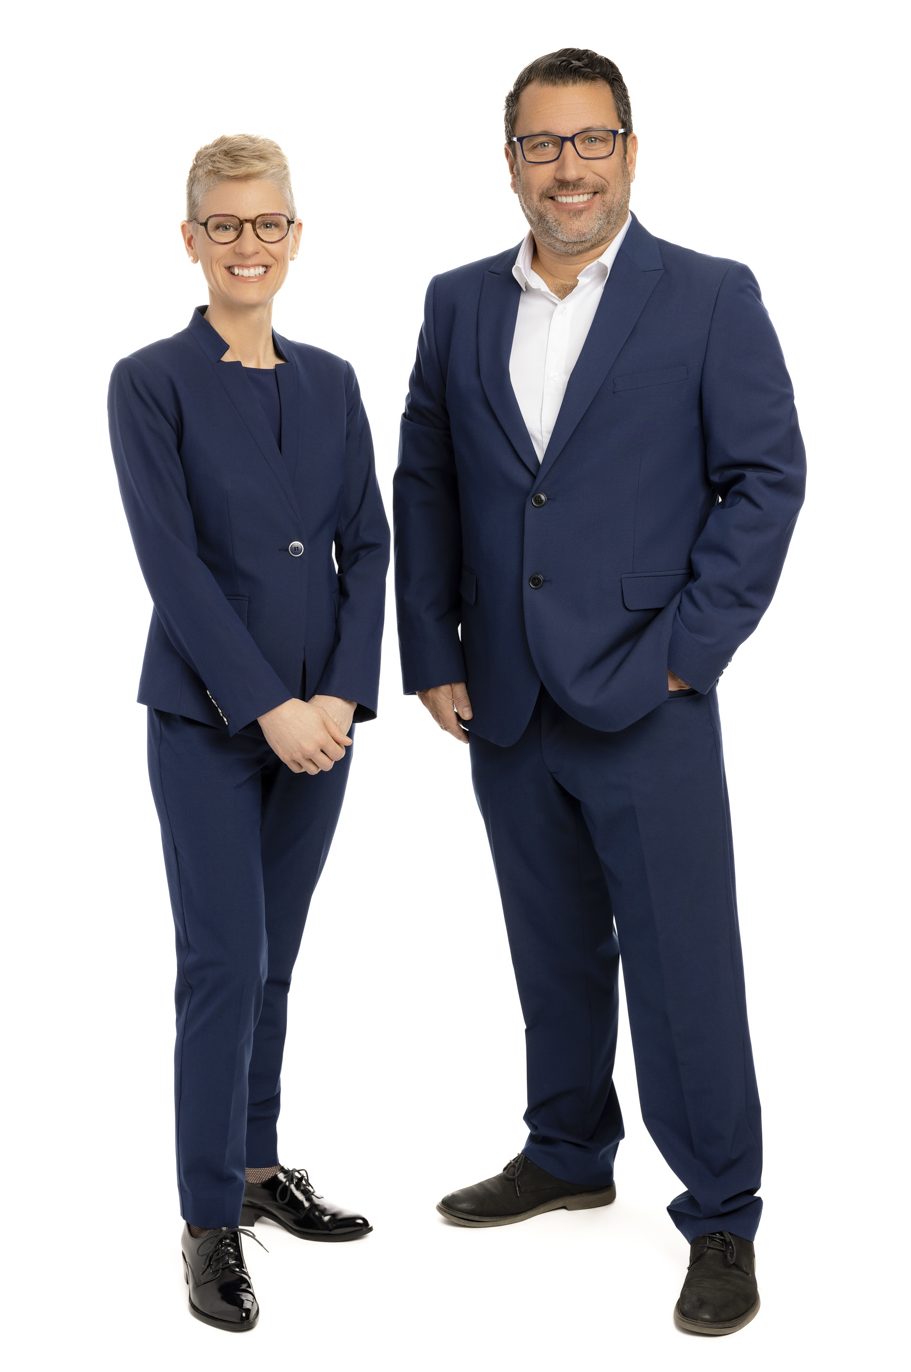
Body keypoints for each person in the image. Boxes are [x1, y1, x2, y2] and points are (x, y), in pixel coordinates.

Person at [393, 49, 805, 1336]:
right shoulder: (457, 303)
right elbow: (428, 482)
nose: (566, 167)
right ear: (507, 159)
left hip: (649, 693)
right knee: (550, 946)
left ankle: (721, 1213)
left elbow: (764, 478)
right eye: (540, 144)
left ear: (630, 148)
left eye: (590, 141)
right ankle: (568, 1149)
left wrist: (690, 648)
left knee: (685, 967)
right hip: (504, 697)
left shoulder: (708, 296)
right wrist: (433, 651)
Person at [108, 134, 390, 1333]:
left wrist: (336, 694)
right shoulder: (149, 379)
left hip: (320, 723)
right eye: (224, 226)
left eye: (267, 224)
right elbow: (170, 560)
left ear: (295, 235)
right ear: (191, 239)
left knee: (277, 952)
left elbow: (365, 542)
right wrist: (264, 703)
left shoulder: (330, 380)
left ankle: (258, 1169)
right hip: (209, 719)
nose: (247, 246)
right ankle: (204, 1214)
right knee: (222, 959)